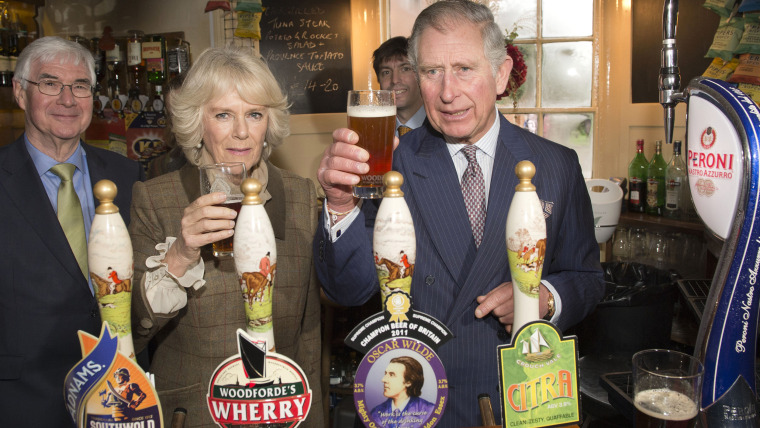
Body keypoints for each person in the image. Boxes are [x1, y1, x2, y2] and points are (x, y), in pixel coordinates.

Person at [313, 1, 605, 426]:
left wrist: (544, 297)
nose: (447, 93)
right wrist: (342, 204)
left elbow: (587, 279)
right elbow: (348, 290)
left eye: (464, 69)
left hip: (515, 397)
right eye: (431, 72)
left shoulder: (557, 165)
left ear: (501, 74)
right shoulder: (386, 165)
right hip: (413, 402)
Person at [129, 46, 323, 427]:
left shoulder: (300, 195)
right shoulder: (157, 198)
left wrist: (313, 417)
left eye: (254, 114)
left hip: (284, 412)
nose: (241, 132)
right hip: (196, 413)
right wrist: (180, 257)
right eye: (223, 115)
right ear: (196, 121)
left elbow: (309, 330)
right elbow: (130, 331)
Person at [0, 36, 144, 427]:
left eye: (80, 86)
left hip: (123, 398)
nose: (67, 99)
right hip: (23, 402)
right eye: (49, 83)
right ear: (19, 92)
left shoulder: (130, 177)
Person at [372, 36, 426, 137]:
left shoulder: (444, 127)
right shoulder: (373, 133)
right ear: (378, 80)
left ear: (421, 74)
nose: (395, 80)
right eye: (386, 72)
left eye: (405, 69)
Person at [370, 356, 435, 428]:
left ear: (408, 382)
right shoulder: (375, 412)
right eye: (385, 374)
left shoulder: (430, 411)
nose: (383, 379)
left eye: (392, 375)